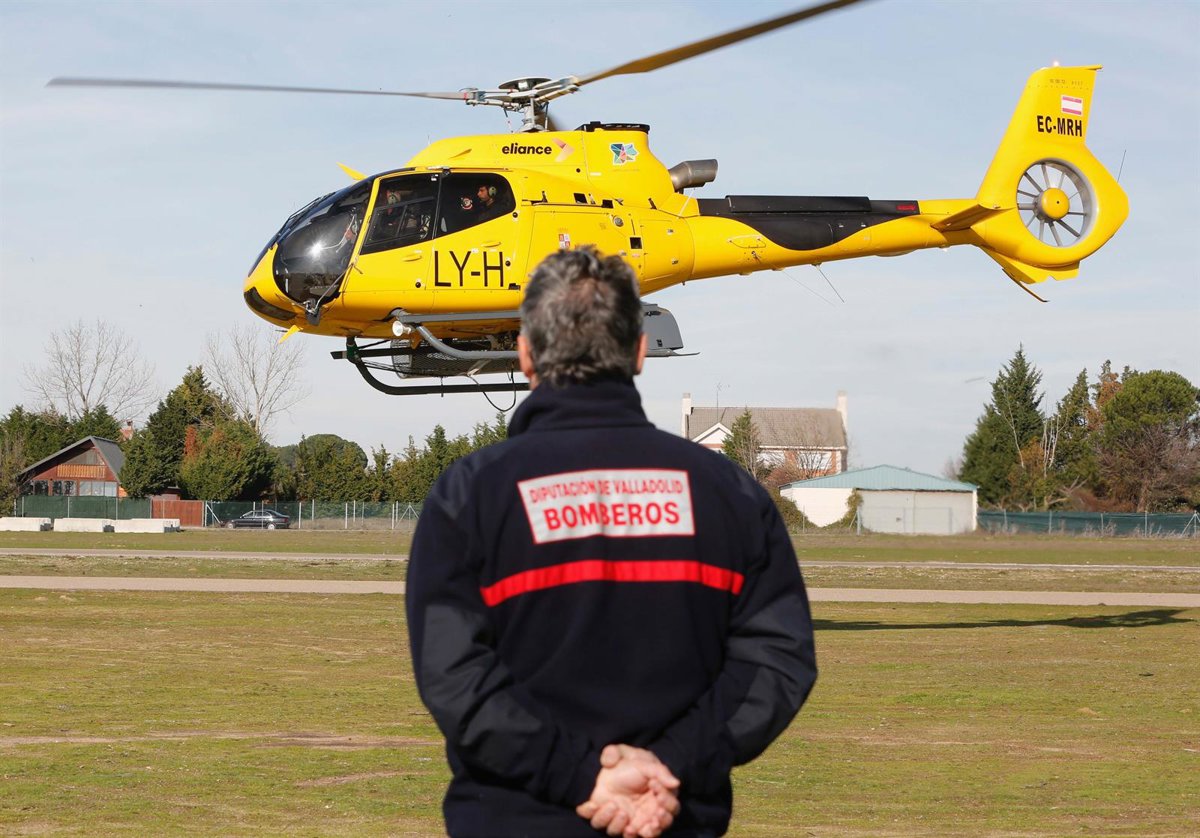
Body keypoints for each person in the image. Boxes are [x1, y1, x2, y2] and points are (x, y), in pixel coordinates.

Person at [406, 247, 817, 837]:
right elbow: (776, 659)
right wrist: (675, 761)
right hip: (674, 816)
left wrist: (579, 776)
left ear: (525, 353)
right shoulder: (729, 493)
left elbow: (454, 674)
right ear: (639, 351)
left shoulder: (471, 494)